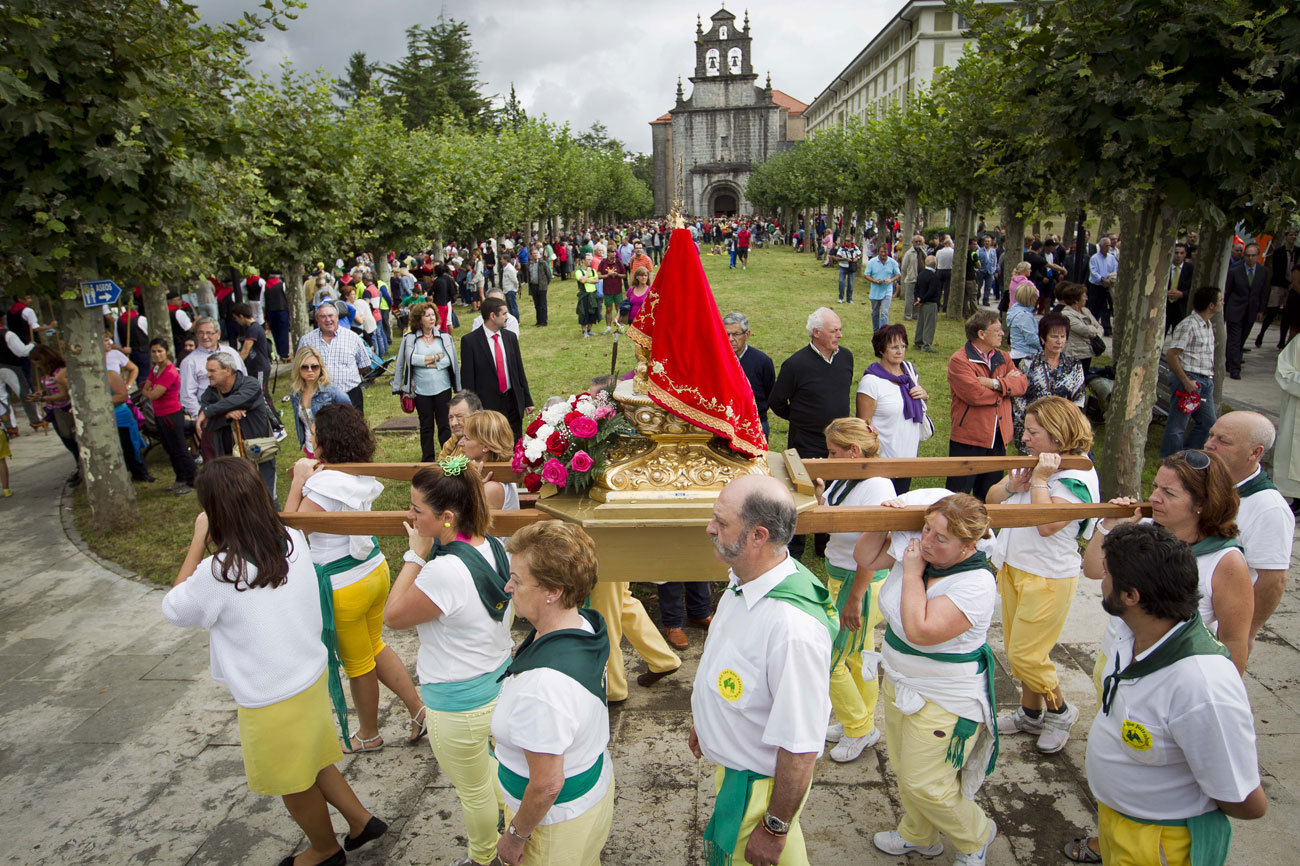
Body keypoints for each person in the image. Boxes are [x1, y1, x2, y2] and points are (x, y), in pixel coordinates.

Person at [161, 457, 388, 866]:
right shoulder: (290, 539)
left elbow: (175, 608)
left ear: (215, 512)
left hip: (270, 693)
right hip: (308, 673)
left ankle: (324, 849)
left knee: (292, 778)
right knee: (314, 757)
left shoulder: (221, 572)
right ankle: (360, 820)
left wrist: (198, 539)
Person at [1082, 522, 1266, 866]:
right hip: (1119, 823)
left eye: (1107, 574)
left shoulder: (1201, 685)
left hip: (1162, 843)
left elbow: (1246, 801)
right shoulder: (1130, 629)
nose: (1101, 582)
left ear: (1131, 596)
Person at [690, 475, 836, 866]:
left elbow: (800, 745)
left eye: (721, 522)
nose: (710, 528)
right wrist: (706, 721)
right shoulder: (748, 577)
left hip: (757, 792)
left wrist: (774, 827)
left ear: (758, 535)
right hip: (739, 772)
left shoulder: (792, 631)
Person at [852, 493, 1000, 865]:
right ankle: (920, 835)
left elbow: (920, 629)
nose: (927, 541)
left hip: (945, 696)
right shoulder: (921, 548)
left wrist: (914, 572)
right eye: (926, 528)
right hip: (902, 681)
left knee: (927, 782)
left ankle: (976, 836)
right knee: (904, 769)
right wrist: (882, 519)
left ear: (969, 546)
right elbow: (866, 558)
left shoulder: (977, 584)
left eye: (941, 538)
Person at [383, 459, 514, 866]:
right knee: (491, 778)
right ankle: (507, 837)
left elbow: (393, 616)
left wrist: (415, 556)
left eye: (417, 510)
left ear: (447, 517)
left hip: (458, 704)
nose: (410, 516)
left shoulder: (442, 571)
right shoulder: (493, 545)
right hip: (496, 684)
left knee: (472, 791)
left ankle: (483, 858)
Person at [284, 404, 427, 755]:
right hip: (374, 569)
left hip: (343, 582)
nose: (309, 439)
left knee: (358, 662)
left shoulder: (322, 482)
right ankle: (418, 708)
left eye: (313, 434)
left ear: (326, 440)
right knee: (375, 646)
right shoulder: (355, 472)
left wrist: (300, 480)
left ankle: (368, 733)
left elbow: (292, 526)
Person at [492, 521, 615, 866]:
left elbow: (546, 785)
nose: (507, 586)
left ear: (554, 590)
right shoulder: (584, 623)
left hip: (552, 828)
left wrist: (515, 839)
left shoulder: (543, 687)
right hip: (591, 789)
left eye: (517, 580)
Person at [987, 397, 1099, 752]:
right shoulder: (1039, 465)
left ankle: (1061, 711)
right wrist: (1011, 487)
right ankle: (1030, 714)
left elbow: (1049, 524)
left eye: (1033, 432)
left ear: (1057, 433)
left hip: (1048, 577)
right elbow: (990, 501)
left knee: (1027, 656)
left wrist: (1038, 480)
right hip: (1017, 568)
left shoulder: (1077, 474)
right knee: (1017, 648)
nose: (1026, 438)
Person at [1088, 449, 1252, 673]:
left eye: (1169, 493)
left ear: (1201, 503)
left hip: (1172, 674)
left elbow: (1234, 640)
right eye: (1155, 486)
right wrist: (1109, 526)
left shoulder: (1226, 562)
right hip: (1113, 661)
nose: (1154, 497)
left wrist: (1225, 693)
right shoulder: (1144, 527)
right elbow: (1093, 569)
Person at [814, 418, 895, 763]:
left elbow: (872, 548)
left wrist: (855, 598)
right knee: (857, 655)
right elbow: (833, 519)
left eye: (833, 453)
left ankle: (859, 727)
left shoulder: (876, 489)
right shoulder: (848, 477)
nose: (827, 458)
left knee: (828, 660)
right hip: (840, 576)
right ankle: (859, 719)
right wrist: (820, 497)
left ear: (853, 451)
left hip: (856, 582)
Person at [1203, 411, 1296, 645]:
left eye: (1223, 441)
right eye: (1211, 435)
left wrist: (1243, 633)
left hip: (1209, 633)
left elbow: (1273, 581)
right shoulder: (1207, 477)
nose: (1209, 445)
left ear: (1255, 453)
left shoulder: (1269, 508)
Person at [770, 308, 853, 559]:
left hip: (838, 443)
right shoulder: (796, 364)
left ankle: (824, 543)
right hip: (806, 441)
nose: (839, 334)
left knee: (831, 489)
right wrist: (801, 420)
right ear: (816, 333)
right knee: (803, 491)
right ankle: (795, 547)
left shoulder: (846, 358)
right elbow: (776, 401)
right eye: (833, 330)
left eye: (839, 329)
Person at [946, 311, 1027, 499]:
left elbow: (1022, 384)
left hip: (999, 437)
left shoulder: (1004, 357)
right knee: (959, 494)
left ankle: (985, 528)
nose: (1002, 334)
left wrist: (996, 384)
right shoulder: (960, 360)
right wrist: (1006, 389)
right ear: (981, 334)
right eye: (997, 330)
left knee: (990, 492)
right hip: (969, 438)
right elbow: (974, 394)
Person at [856, 324, 930, 494]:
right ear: (881, 349)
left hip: (908, 456)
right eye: (894, 347)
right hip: (883, 460)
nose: (900, 351)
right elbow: (863, 426)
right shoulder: (871, 382)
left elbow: (918, 400)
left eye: (903, 346)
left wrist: (924, 395)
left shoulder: (909, 372)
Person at [197, 352, 277, 499]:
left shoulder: (250, 384)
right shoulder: (210, 394)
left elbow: (237, 400)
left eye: (212, 371)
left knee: (266, 498)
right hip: (228, 456)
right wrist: (225, 416)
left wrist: (208, 411)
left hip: (257, 453)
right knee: (236, 499)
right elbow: (207, 425)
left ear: (227, 370)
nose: (207, 375)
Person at [393, 302, 460, 462]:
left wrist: (426, 361)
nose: (431, 318)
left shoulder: (444, 337)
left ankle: (448, 458)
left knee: (445, 425)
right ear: (419, 319)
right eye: (427, 315)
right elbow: (409, 359)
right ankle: (428, 460)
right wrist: (434, 358)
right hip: (421, 391)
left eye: (433, 315)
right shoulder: (410, 338)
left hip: (443, 388)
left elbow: (449, 360)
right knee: (426, 427)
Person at [460, 298, 533, 442]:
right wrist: (473, 409)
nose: (508, 317)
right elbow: (468, 379)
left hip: (512, 400)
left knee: (515, 440)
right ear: (493, 316)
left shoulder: (510, 337)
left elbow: (519, 370)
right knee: (493, 442)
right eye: (504, 313)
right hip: (488, 404)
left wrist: (527, 400)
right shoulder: (470, 342)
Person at [1160, 286, 1221, 457]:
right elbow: (1172, 355)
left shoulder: (1207, 325)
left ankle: (1187, 456)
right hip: (1189, 379)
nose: (1222, 302)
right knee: (1178, 424)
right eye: (1220, 299)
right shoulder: (1189, 325)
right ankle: (1170, 458)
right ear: (1211, 305)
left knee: (1209, 422)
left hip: (1205, 381)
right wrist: (1186, 381)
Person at [1013, 312, 1085, 452]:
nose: (1059, 341)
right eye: (1054, 336)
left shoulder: (1074, 365)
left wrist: (1065, 427)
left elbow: (1079, 400)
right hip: (1033, 432)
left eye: (1062, 337)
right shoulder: (1028, 364)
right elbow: (1018, 399)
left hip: (1062, 433)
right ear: (1043, 338)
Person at [142, 338, 198, 495]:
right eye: (154, 351)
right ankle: (180, 477)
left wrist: (149, 392)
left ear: (166, 352)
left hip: (172, 414)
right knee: (170, 448)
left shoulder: (169, 371)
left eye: (160, 351)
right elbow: (146, 388)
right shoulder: (155, 369)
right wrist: (149, 391)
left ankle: (193, 480)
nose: (157, 354)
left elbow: (153, 394)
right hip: (159, 414)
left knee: (180, 448)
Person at [298, 304, 371, 413]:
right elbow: (299, 367)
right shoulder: (306, 341)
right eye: (323, 316)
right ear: (317, 319)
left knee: (353, 428)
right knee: (322, 429)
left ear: (337, 317)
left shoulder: (352, 337)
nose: (328, 320)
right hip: (319, 397)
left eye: (331, 315)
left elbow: (364, 364)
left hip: (350, 393)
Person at [178, 317, 246, 428]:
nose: (205, 337)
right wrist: (203, 418)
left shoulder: (231, 352)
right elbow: (187, 396)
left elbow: (244, 378)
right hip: (214, 416)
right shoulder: (189, 362)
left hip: (241, 410)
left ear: (218, 334)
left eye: (209, 333)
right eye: (201, 333)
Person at [288, 345, 351, 458]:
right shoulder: (295, 394)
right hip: (309, 448)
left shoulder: (332, 392)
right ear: (298, 369)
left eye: (314, 366)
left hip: (331, 450)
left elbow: (350, 417)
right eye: (304, 367)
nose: (310, 370)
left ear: (321, 367)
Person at [29, 345, 80, 484]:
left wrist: (43, 399)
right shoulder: (47, 373)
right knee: (66, 441)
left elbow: (64, 395)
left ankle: (80, 468)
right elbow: (52, 390)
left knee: (71, 440)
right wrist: (43, 393)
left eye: (38, 362)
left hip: (64, 410)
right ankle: (79, 466)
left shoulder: (59, 372)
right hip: (53, 410)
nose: (37, 366)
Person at [724, 312, 775, 440]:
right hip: (725, 424)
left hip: (756, 424)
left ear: (747, 334)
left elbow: (770, 393)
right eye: (727, 334)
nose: (730, 339)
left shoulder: (763, 361)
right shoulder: (717, 360)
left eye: (736, 334)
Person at [1223, 242, 1270, 379]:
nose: (1250, 258)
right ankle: (1235, 369)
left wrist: (1261, 310)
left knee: (1241, 339)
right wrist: (1224, 311)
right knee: (1234, 340)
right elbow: (1228, 292)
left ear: (1258, 256)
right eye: (1247, 255)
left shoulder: (1263, 272)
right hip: (1235, 309)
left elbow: (1263, 292)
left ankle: (1230, 361)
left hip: (1251, 311)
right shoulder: (1234, 271)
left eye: (1253, 256)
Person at [460, 410, 519, 511]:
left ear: (486, 446)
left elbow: (472, 525)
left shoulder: (491, 488)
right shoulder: (499, 475)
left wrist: (472, 488)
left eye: (467, 438)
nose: (460, 443)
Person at [1057, 282, 1104, 375]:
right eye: (1084, 296)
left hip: (1087, 351)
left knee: (1084, 377)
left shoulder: (1086, 311)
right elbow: (1084, 330)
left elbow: (1099, 327)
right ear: (1075, 299)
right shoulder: (1066, 314)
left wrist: (1096, 334)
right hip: (1074, 353)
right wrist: (1093, 330)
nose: (1086, 299)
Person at [437, 390, 484, 461]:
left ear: (476, 415)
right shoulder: (452, 440)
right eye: (451, 417)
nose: (453, 423)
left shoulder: (483, 442)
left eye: (459, 416)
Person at [865, 245, 902, 334]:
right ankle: (876, 331)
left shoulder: (893, 262)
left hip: (887, 291)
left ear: (888, 252)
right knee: (875, 312)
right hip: (875, 291)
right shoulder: (872, 262)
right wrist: (874, 281)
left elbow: (898, 274)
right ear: (878, 252)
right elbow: (866, 275)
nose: (883, 254)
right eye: (881, 252)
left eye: (885, 252)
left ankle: (883, 332)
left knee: (884, 312)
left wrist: (891, 280)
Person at [1088, 236, 1118, 336]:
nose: (1108, 248)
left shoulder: (1112, 258)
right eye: (1106, 246)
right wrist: (1102, 280)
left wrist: (1110, 280)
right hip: (1096, 286)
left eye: (1109, 246)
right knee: (1094, 307)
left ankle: (1107, 328)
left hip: (1108, 285)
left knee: (1106, 307)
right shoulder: (1094, 258)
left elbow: (1115, 270)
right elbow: (1093, 272)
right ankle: (1093, 326)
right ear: (1100, 246)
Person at [1006, 278, 1041, 362]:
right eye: (1035, 299)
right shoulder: (1025, 316)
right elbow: (1031, 338)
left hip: (1017, 352)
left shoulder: (1014, 310)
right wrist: (1043, 347)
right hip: (1025, 354)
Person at [913, 254, 940, 353]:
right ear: (935, 264)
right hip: (930, 303)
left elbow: (916, 288)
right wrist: (923, 300)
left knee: (921, 323)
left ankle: (918, 342)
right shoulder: (934, 276)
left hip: (921, 302)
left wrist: (918, 299)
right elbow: (932, 291)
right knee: (929, 325)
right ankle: (926, 345)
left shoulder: (921, 274)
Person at [596, 246, 624, 334]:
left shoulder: (619, 262)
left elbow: (624, 275)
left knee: (618, 308)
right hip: (607, 290)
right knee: (608, 309)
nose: (614, 254)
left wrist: (617, 275)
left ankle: (620, 326)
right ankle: (608, 328)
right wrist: (607, 275)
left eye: (614, 252)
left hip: (618, 289)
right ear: (607, 253)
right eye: (611, 252)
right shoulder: (603, 262)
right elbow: (599, 275)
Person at [831, 236, 861, 304]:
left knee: (850, 284)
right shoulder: (841, 248)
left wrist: (857, 258)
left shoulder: (855, 248)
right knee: (841, 282)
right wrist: (845, 259)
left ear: (851, 241)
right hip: (843, 267)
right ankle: (841, 298)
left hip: (851, 268)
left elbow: (860, 254)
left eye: (848, 241)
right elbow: (837, 258)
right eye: (846, 240)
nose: (847, 242)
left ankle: (849, 299)